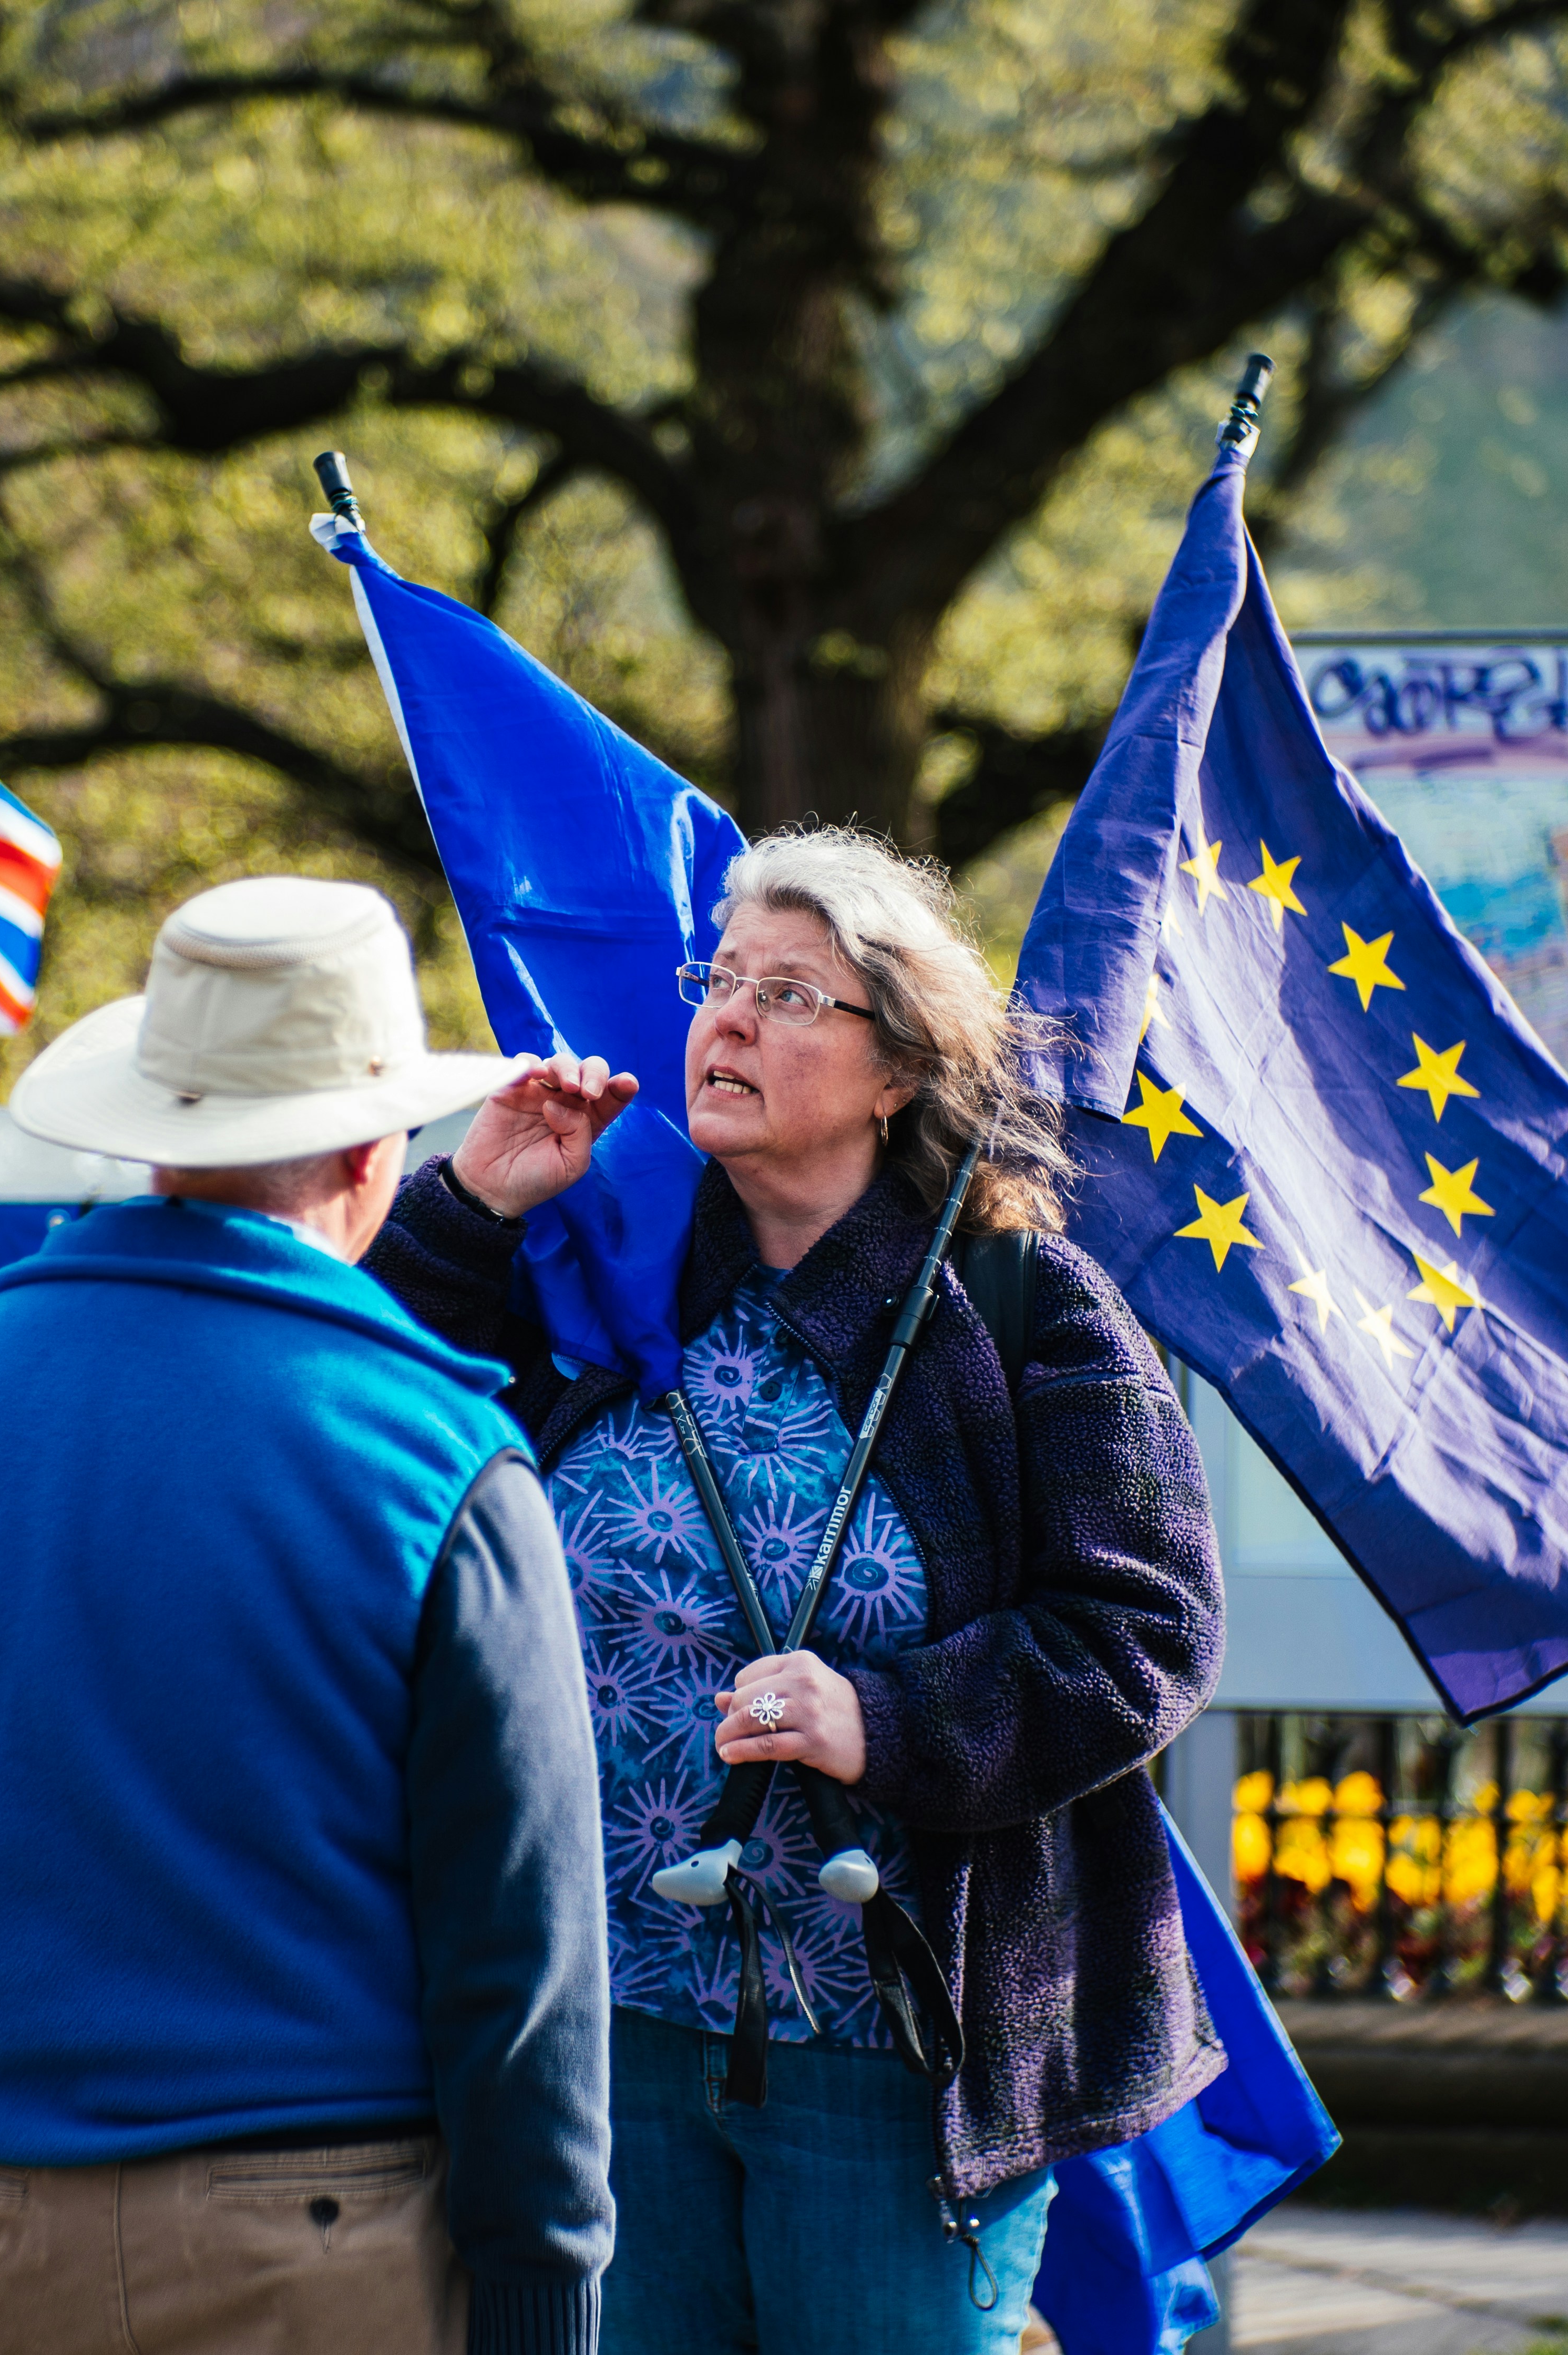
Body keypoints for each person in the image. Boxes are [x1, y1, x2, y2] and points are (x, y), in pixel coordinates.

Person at [364, 827, 1225, 2354]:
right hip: (606, 2023)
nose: (729, 1019)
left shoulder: (1021, 1303)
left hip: (892, 2040)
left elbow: (1146, 1632)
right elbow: (361, 1418)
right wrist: (473, 1206)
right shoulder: (597, 1266)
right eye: (720, 982)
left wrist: (884, 1718)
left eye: (791, 994)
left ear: (898, 1068)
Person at [0, 876, 613, 2355]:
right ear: (371, 1149)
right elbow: (521, 1961)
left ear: (155, 1130)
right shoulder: (442, 1459)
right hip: (332, 2257)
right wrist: (543, 2307)